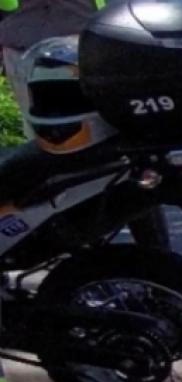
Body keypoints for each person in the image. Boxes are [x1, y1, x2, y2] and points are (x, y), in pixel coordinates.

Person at [0, 0, 172, 249]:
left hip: (45, 49)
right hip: (84, 41)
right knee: (120, 150)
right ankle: (146, 250)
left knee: (65, 155)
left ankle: (98, 256)